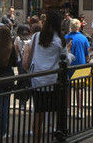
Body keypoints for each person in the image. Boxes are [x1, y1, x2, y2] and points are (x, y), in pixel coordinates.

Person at [23, 11, 67, 143]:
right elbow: (65, 60)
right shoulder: (60, 40)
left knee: (39, 112)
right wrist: (71, 55)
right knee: (57, 110)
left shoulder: (37, 36)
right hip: (53, 80)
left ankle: (36, 139)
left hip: (37, 79)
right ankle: (59, 135)